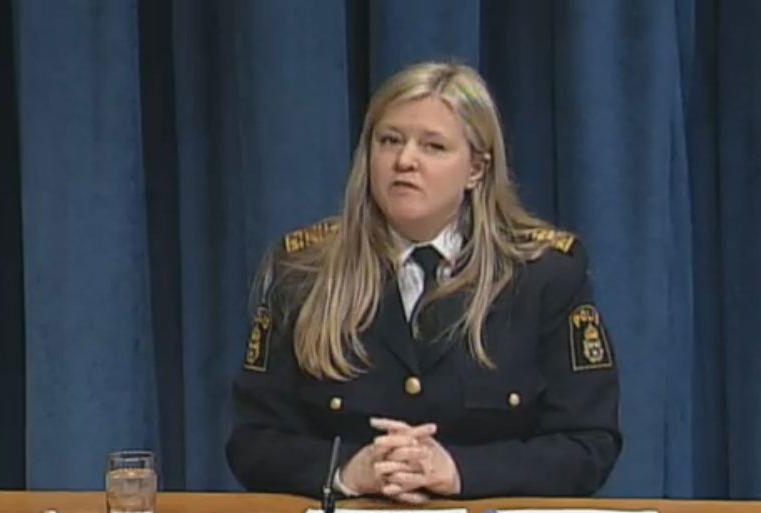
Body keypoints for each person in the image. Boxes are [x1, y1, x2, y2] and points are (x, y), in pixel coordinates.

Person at [226, 61, 621, 502]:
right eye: (390, 141)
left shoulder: (544, 274)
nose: (404, 161)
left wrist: (459, 471)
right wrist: (347, 470)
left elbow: (588, 445)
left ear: (476, 169)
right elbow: (253, 441)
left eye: (433, 146)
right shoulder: (304, 270)